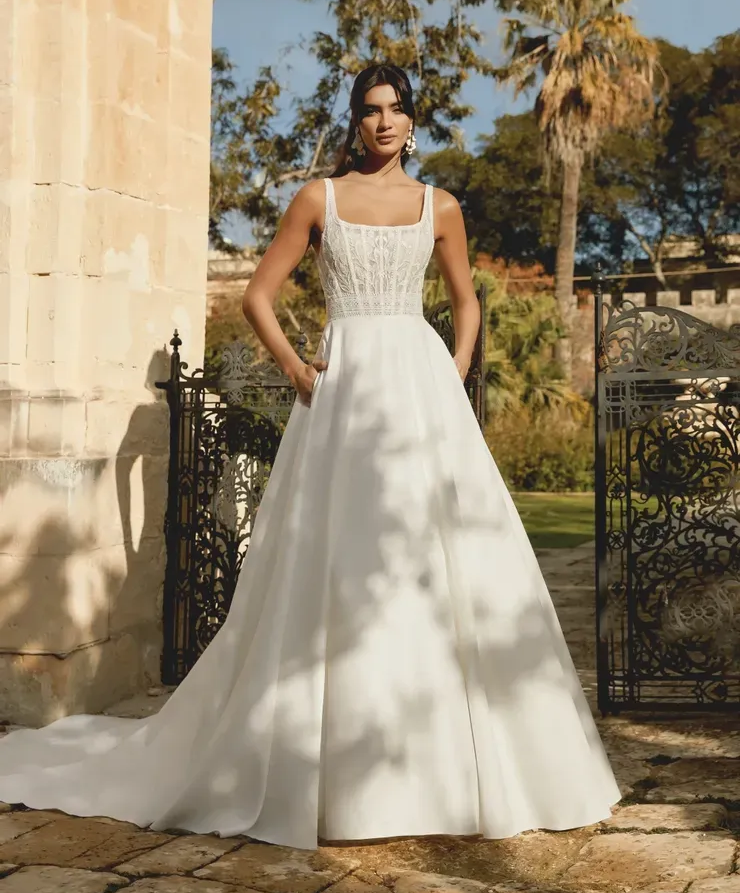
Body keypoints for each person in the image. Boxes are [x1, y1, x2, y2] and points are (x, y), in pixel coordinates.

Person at [0, 64, 620, 850]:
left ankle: (454, 766)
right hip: (345, 394)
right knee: (339, 561)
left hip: (422, 392)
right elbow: (260, 294)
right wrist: (297, 369)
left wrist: (453, 374)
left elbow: (467, 299)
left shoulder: (443, 207)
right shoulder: (318, 200)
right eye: (371, 110)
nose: (384, 122)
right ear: (356, 122)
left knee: (449, 565)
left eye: (396, 110)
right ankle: (330, 766)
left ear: (412, 121)